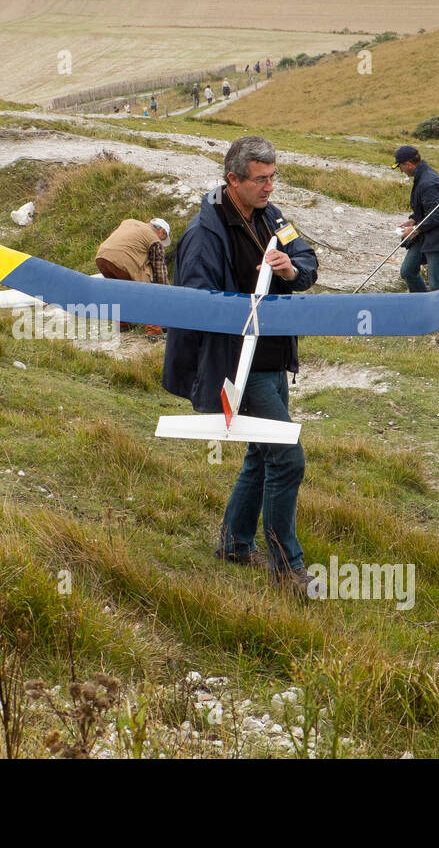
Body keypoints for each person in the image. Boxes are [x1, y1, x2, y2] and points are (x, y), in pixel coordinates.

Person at [162, 136, 319, 596]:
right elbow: (197, 306)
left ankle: (233, 544)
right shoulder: (204, 233)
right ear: (233, 180)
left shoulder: (274, 216)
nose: (270, 187)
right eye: (261, 179)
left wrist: (289, 270)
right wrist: (243, 307)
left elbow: (307, 262)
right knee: (286, 458)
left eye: (273, 177)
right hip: (240, 366)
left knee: (260, 453)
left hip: (274, 359)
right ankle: (287, 569)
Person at [392, 145, 439, 335]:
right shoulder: (421, 177)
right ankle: (425, 311)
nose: (400, 170)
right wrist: (413, 219)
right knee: (407, 271)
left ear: (408, 164)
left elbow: (435, 216)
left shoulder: (428, 182)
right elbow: (426, 210)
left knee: (438, 283)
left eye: (400, 166)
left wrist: (414, 230)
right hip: (425, 236)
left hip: (438, 238)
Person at [96, 218, 172, 334]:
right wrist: (166, 292)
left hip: (102, 256)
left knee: (119, 290)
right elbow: (159, 269)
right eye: (164, 238)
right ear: (162, 231)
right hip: (123, 260)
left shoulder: (129, 222)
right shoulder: (154, 240)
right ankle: (154, 330)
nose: (162, 242)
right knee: (146, 291)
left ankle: (122, 323)